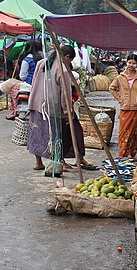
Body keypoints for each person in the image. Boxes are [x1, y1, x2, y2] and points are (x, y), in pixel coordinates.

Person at [27, 44, 97, 176]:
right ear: (67, 57)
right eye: (70, 60)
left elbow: (34, 81)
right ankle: (57, 163)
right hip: (53, 107)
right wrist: (67, 110)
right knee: (56, 135)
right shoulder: (63, 68)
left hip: (37, 103)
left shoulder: (42, 63)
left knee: (38, 133)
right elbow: (65, 92)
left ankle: (39, 162)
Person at [109, 54, 137, 160]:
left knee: (135, 133)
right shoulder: (120, 77)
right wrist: (120, 99)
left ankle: (131, 155)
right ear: (126, 62)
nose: (131, 65)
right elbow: (112, 88)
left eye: (134, 63)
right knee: (123, 133)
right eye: (129, 62)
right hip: (125, 109)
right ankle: (122, 155)